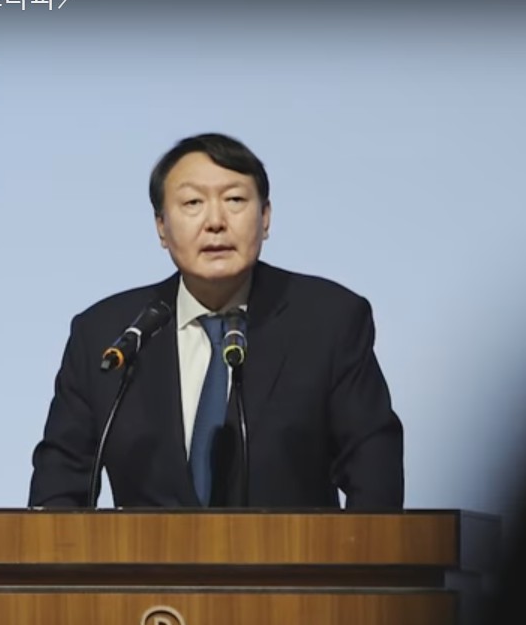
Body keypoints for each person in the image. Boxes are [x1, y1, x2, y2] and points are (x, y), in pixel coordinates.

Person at [27, 133, 404, 510]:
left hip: (293, 550)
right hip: (146, 552)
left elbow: (375, 475)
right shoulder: (106, 334)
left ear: (265, 218)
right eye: (192, 202)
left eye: (235, 200)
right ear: (161, 227)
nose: (215, 222)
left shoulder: (328, 320)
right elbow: (57, 488)